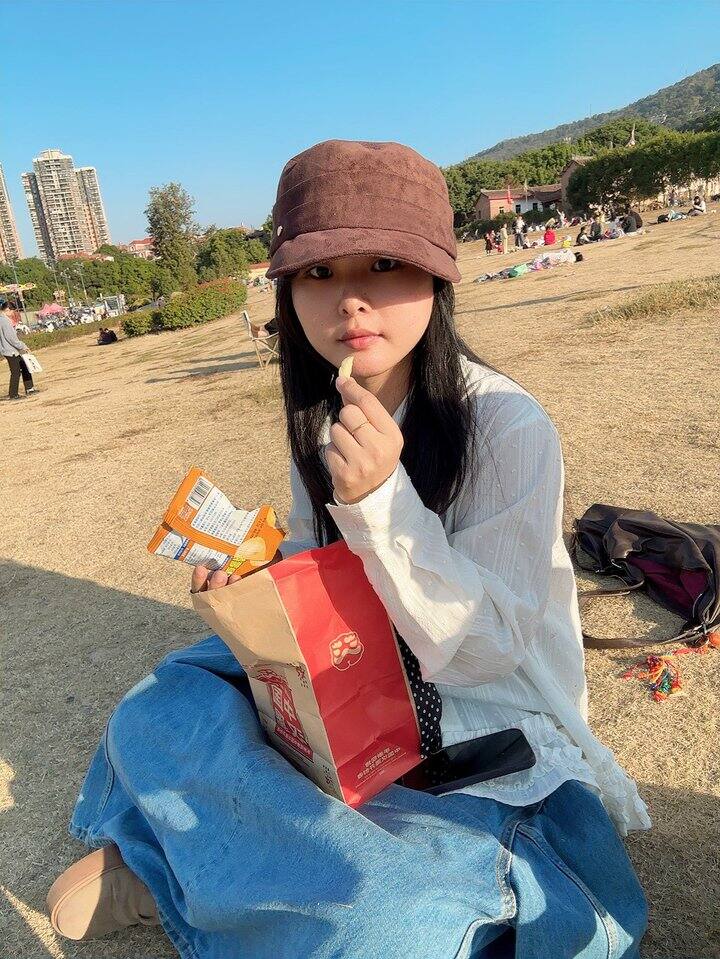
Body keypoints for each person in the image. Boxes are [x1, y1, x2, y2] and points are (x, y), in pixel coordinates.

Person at [48, 139, 649, 958]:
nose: (351, 299)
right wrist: (259, 586)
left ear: (437, 275)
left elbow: (487, 652)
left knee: (394, 928)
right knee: (161, 702)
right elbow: (318, 565)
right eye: (319, 272)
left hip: (478, 732)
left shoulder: (508, 426)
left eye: (385, 265)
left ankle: (181, 864)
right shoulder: (325, 414)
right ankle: (222, 864)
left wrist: (381, 502)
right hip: (351, 690)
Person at [0, 296, 36, 399]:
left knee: (24, 366)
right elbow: (11, 338)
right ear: (7, 310)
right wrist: (23, 346)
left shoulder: (2, 320)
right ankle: (13, 394)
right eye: (12, 311)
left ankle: (29, 388)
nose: (13, 313)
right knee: (15, 372)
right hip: (11, 351)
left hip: (9, 349)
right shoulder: (4, 321)